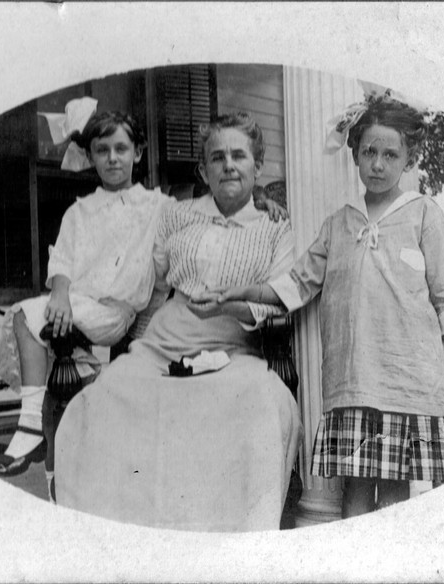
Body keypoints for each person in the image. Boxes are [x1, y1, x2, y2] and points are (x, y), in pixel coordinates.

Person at [208, 94, 444, 518]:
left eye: (390, 154)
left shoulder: (424, 215)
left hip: (407, 382)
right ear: (356, 156)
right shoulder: (339, 224)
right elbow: (294, 285)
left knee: (397, 494)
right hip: (353, 382)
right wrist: (239, 291)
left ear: (408, 159)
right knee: (356, 492)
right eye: (369, 152)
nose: (378, 164)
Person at [0, 100, 288, 490]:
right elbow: (70, 260)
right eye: (102, 150)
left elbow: (227, 198)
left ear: (138, 153)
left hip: (132, 318)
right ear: (90, 156)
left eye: (121, 149)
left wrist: (262, 199)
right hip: (91, 310)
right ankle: (43, 447)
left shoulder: (159, 205)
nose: (112, 159)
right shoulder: (101, 211)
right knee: (42, 338)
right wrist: (61, 292)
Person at [54, 112, 302, 532]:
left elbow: (277, 301)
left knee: (258, 404)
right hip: (163, 340)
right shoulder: (176, 214)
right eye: (217, 157)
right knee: (105, 398)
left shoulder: (276, 227)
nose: (228, 165)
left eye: (239, 156)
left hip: (234, 345)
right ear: (203, 169)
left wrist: (228, 305)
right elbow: (151, 280)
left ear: (257, 167)